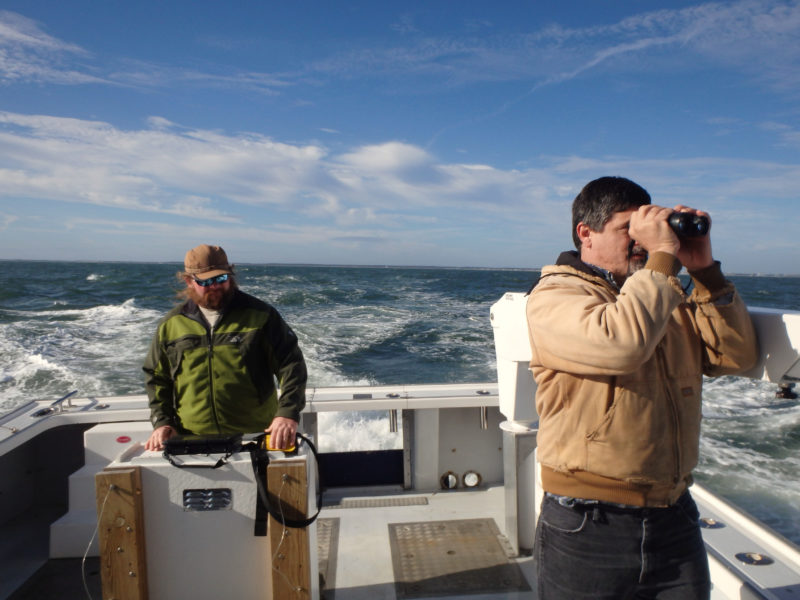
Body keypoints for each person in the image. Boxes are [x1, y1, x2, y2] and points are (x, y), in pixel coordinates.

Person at [526, 177, 758, 599]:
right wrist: (664, 259)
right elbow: (620, 345)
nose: (641, 244)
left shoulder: (658, 295)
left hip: (674, 513)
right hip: (589, 525)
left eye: (645, 233)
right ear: (586, 233)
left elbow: (735, 358)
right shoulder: (555, 295)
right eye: (627, 231)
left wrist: (703, 269)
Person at [143, 244, 307, 452]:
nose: (215, 286)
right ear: (189, 281)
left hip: (256, 435)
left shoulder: (261, 316)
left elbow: (291, 365)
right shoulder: (171, 325)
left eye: (221, 278)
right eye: (206, 281)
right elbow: (156, 377)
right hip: (192, 439)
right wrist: (162, 422)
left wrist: (287, 413)